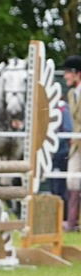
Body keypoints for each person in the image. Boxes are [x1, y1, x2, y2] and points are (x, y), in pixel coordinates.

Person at [64, 54, 81, 229]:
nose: (65, 76)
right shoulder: (71, 93)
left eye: (68, 72)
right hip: (76, 144)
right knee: (72, 181)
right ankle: (72, 222)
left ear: (77, 73)